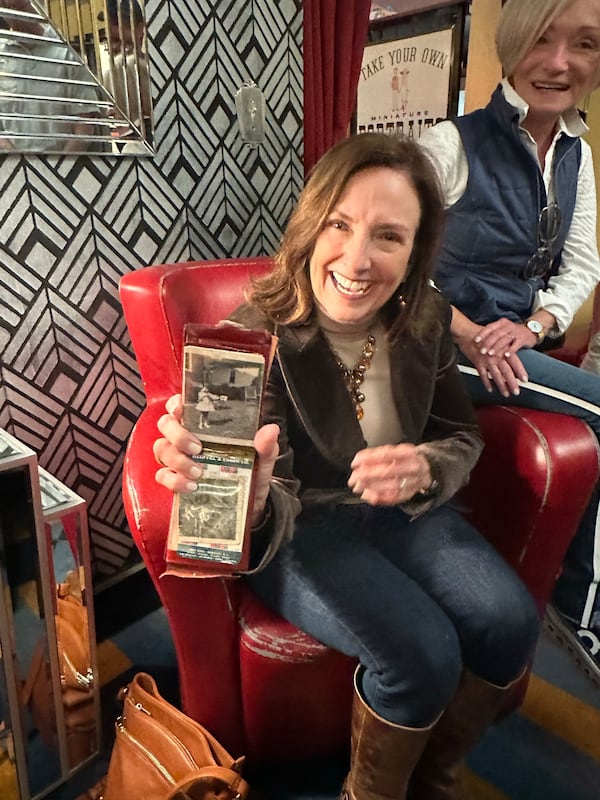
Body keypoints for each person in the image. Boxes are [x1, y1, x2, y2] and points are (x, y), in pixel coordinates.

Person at [153, 132, 539, 800]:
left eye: (389, 236)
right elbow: (229, 500)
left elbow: (459, 434)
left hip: (407, 515)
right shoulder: (249, 339)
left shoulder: (423, 315)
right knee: (422, 654)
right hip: (306, 529)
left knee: (512, 621)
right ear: (311, 226)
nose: (358, 260)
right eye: (340, 224)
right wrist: (245, 501)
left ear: (415, 249)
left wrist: (425, 467)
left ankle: (433, 780)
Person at [419, 0, 600, 685]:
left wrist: (536, 325)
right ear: (512, 44)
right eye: (543, 40)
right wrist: (468, 333)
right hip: (439, 349)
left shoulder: (578, 154)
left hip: (516, 345)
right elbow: (393, 265)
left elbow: (581, 263)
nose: (561, 62)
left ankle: (574, 592)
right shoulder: (448, 143)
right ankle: (581, 606)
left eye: (584, 44)